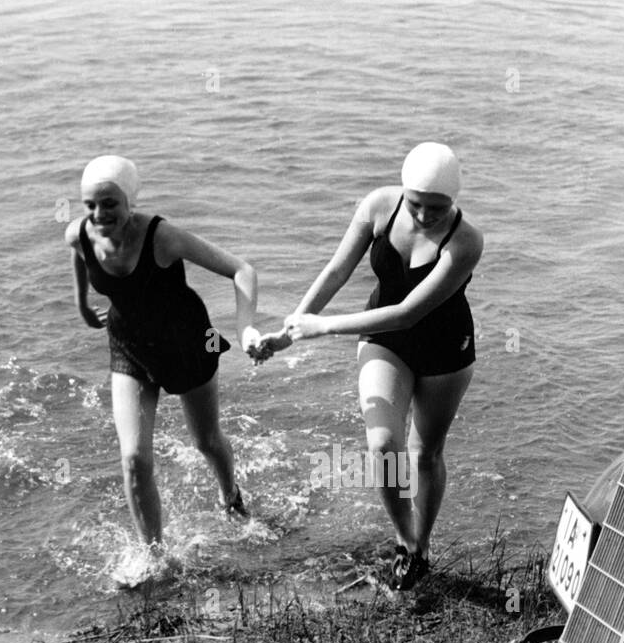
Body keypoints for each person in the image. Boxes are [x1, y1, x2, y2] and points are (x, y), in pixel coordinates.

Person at [258, 143, 483, 590]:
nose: (424, 216)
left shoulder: (466, 241)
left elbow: (408, 313)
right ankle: (407, 544)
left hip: (446, 350)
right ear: (404, 192)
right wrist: (293, 326)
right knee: (383, 445)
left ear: (454, 200)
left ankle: (424, 543)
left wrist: (324, 328)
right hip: (383, 342)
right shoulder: (379, 206)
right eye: (417, 205)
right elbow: (337, 271)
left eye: (437, 208)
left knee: (426, 453)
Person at [66, 155, 264, 547]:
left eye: (110, 204)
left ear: (131, 203)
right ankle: (154, 557)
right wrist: (83, 305)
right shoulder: (78, 234)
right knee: (134, 460)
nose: (98, 214)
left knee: (206, 441)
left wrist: (245, 329)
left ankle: (231, 496)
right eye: (90, 205)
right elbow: (80, 257)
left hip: (188, 343)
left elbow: (242, 270)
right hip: (129, 348)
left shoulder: (163, 237)